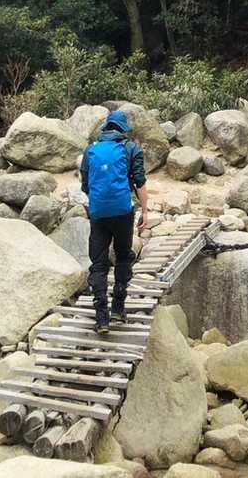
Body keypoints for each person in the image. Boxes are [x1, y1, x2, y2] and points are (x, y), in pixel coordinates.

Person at [80, 109, 148, 332]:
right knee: (123, 255)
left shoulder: (91, 150)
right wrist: (145, 211)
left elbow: (85, 185)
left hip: (98, 213)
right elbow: (139, 182)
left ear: (106, 128)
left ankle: (101, 318)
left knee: (98, 263)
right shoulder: (131, 148)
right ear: (123, 130)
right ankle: (118, 308)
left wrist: (99, 203)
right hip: (123, 213)